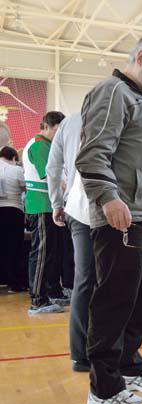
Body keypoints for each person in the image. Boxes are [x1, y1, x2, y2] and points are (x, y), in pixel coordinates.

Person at [75, 34, 142, 404]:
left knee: (138, 302)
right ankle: (103, 388)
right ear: (141, 56)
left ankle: (130, 367)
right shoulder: (113, 92)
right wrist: (108, 197)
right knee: (114, 302)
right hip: (122, 216)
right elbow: (93, 153)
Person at [46, 112, 94, 372]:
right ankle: (104, 349)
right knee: (107, 280)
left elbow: (52, 169)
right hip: (104, 208)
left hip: (76, 205)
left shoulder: (68, 122)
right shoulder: (120, 113)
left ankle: (80, 354)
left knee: (84, 280)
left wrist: (56, 203)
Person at [23, 110, 69, 314]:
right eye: (58, 130)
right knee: (41, 254)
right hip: (41, 206)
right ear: (47, 126)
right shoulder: (39, 144)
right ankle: (38, 299)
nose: (60, 134)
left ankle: (53, 291)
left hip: (51, 206)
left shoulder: (49, 145)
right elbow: (50, 176)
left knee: (53, 252)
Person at [0, 146, 27, 293]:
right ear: (14, 158)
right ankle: (16, 283)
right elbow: (24, 188)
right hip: (13, 211)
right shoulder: (15, 169)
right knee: (14, 248)